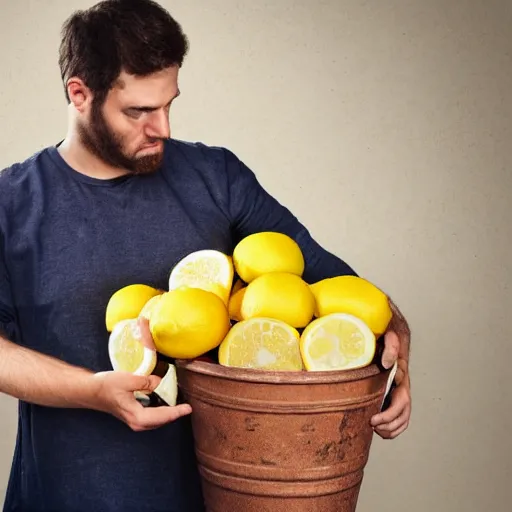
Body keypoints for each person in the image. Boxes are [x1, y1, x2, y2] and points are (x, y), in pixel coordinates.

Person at [0, 0, 411, 510]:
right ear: (79, 94)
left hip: (208, 496)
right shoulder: (10, 203)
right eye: (139, 111)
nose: (163, 128)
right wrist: (91, 391)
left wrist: (397, 342)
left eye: (169, 103)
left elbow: (335, 287)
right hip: (65, 496)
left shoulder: (216, 177)